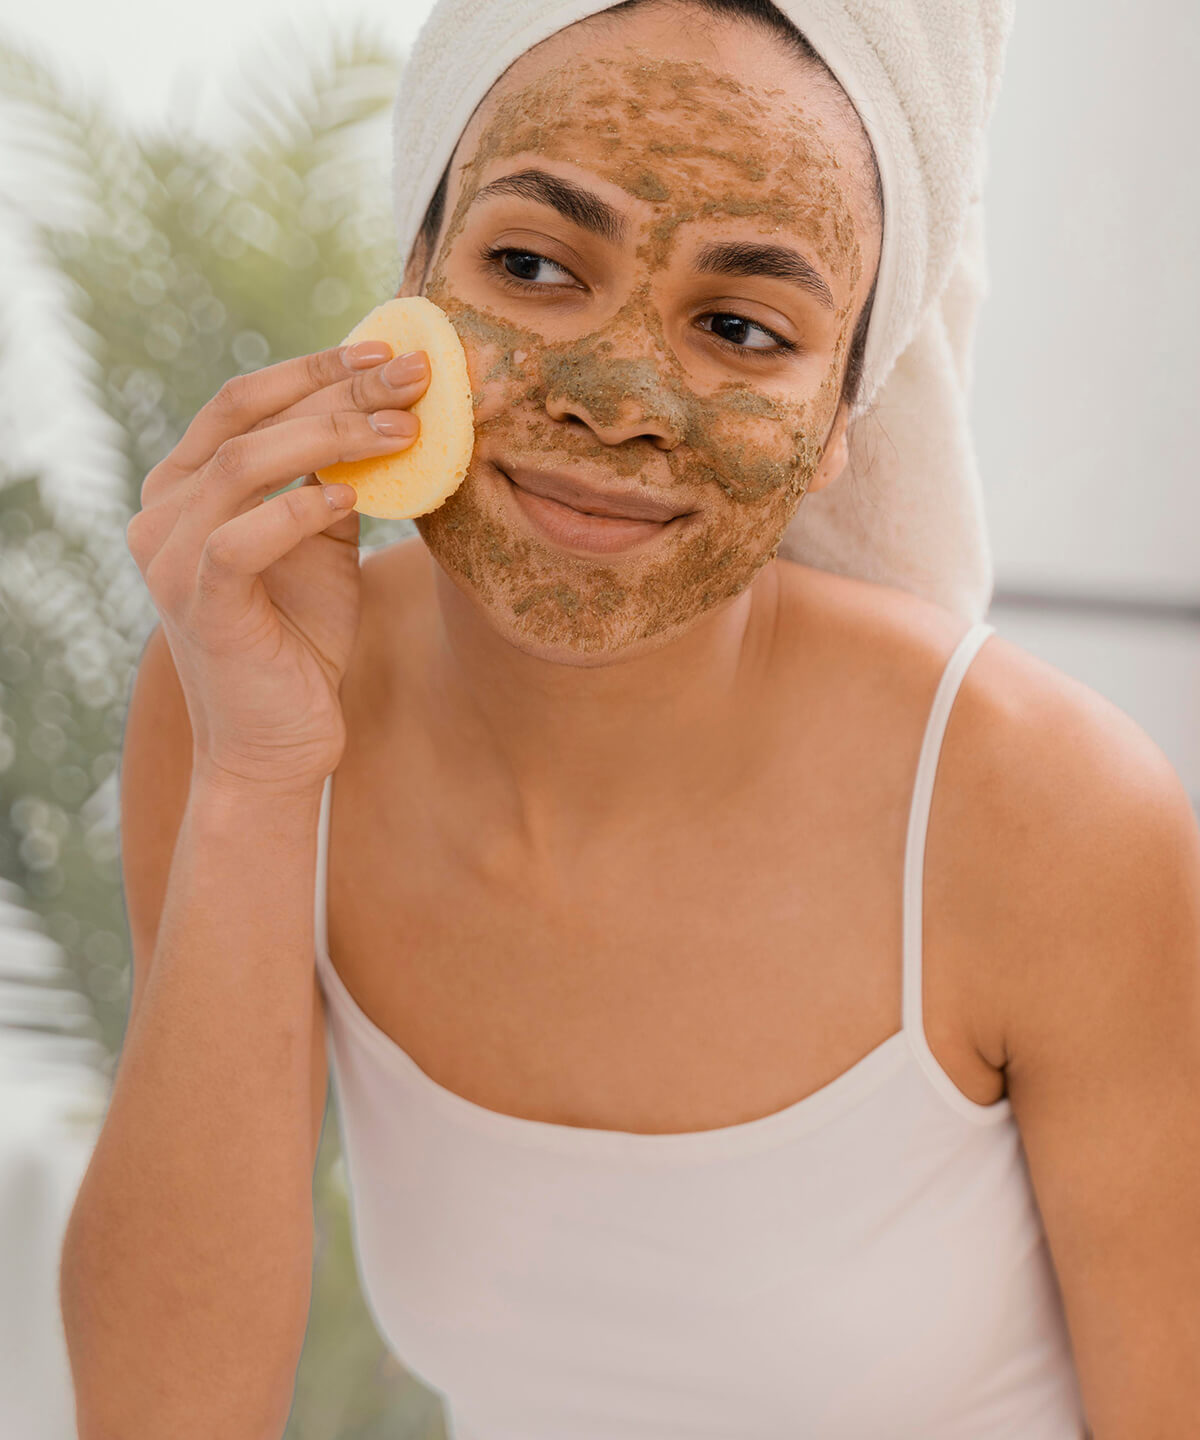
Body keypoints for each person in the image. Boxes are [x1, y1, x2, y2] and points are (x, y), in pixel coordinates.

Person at [61, 0, 1200, 1436]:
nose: (619, 401)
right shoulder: (257, 690)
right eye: (533, 263)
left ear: (840, 413)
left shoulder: (1046, 814)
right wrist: (256, 778)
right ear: (412, 276)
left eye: (740, 325)